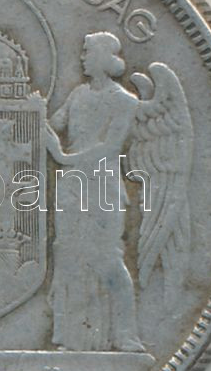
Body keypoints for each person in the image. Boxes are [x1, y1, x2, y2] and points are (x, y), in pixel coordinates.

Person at [46, 31, 143, 352]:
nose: (82, 57)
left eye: (87, 51)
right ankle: (70, 337)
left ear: (103, 56)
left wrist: (63, 157)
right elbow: (53, 124)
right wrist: (30, 110)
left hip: (102, 188)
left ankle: (125, 335)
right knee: (70, 258)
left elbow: (110, 148)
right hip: (72, 189)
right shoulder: (78, 95)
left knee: (108, 260)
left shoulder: (125, 101)